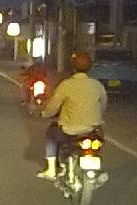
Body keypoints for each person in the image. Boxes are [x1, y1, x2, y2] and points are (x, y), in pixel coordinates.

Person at [37, 51, 106, 180]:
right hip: (92, 130)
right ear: (90, 68)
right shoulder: (97, 85)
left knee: (51, 134)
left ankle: (51, 170)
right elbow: (103, 105)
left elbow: (53, 107)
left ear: (73, 67)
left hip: (69, 131)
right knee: (99, 139)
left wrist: (44, 114)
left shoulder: (66, 85)